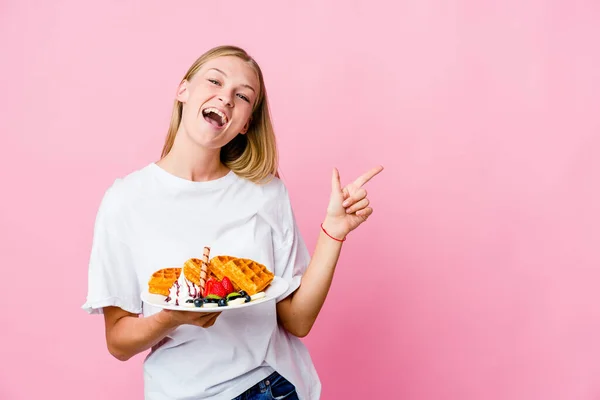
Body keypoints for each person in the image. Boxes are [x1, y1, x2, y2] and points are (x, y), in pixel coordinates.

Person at [82, 45, 383, 400]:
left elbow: (297, 320)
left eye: (242, 96)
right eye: (214, 81)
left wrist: (334, 232)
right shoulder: (126, 200)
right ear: (183, 90)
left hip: (269, 387)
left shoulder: (266, 193)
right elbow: (118, 341)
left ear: (244, 125)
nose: (225, 98)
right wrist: (170, 318)